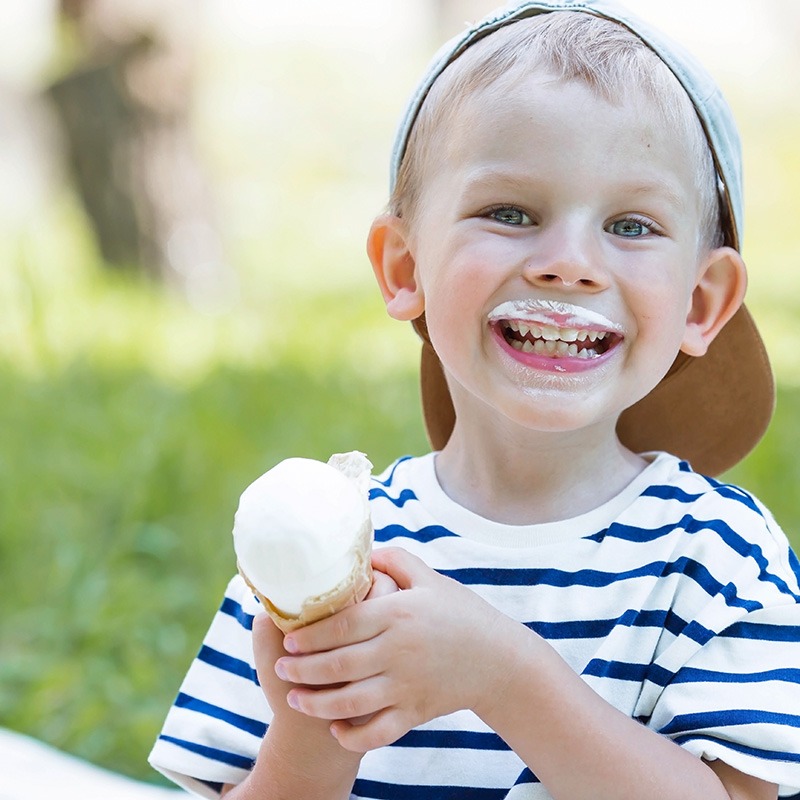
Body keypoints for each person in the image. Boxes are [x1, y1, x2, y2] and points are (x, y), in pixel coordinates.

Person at [148, 2, 800, 798]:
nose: (569, 263)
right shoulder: (327, 550)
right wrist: (313, 730)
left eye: (631, 226)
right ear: (404, 268)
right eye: (510, 213)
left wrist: (504, 675)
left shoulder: (720, 559)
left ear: (701, 302)